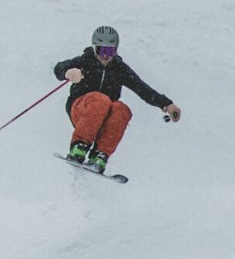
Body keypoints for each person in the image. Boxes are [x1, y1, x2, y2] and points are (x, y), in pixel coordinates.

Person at [54, 25, 179, 172]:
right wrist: (69, 72)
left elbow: (142, 88)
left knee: (122, 109)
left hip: (104, 117)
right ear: (95, 48)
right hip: (82, 110)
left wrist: (167, 105)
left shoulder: (119, 68)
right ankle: (79, 147)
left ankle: (100, 155)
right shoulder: (85, 61)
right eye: (102, 51)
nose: (105, 56)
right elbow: (58, 69)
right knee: (101, 100)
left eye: (110, 51)